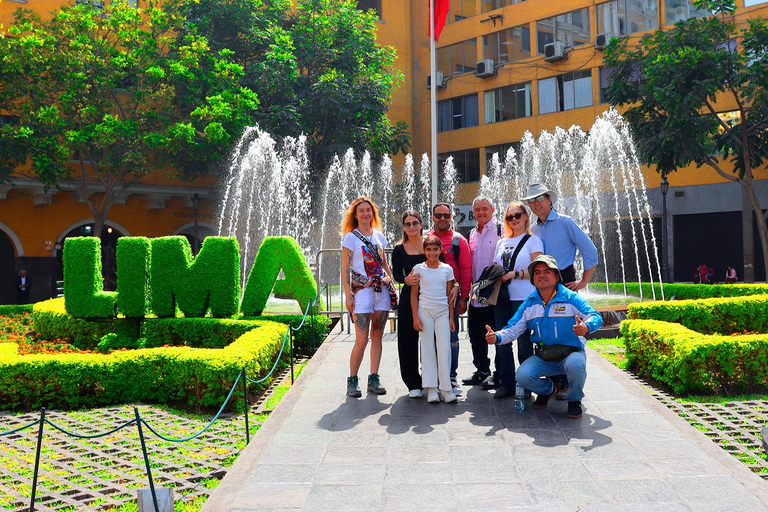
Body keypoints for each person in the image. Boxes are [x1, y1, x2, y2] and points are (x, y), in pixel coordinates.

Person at [485, 255, 603, 419]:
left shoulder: (570, 297)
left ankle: (574, 400)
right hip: (545, 356)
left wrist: (586, 326)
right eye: (537, 272)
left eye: (547, 271)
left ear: (556, 276)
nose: (542, 275)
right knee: (522, 376)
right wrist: (497, 336)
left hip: (571, 354)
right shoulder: (529, 303)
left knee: (576, 366)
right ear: (533, 279)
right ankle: (550, 390)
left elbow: (594, 315)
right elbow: (513, 329)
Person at [523, 183, 598, 400]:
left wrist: (584, 280)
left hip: (563, 277)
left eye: (540, 199)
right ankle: (553, 380)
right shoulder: (533, 229)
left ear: (549, 200)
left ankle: (567, 381)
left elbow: (590, 250)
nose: (536, 204)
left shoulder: (566, 222)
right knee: (545, 328)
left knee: (565, 330)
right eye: (532, 201)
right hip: (540, 280)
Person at [341, 196, 395, 398]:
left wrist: (390, 281)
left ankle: (374, 377)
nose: (365, 213)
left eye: (368, 210)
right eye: (361, 210)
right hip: (362, 292)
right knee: (362, 338)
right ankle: (352, 380)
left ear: (373, 213)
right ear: (355, 214)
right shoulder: (350, 237)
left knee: (378, 336)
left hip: (380, 292)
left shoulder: (379, 236)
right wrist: (348, 295)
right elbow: (345, 268)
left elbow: (383, 263)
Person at [491, 202, 543, 399]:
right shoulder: (500, 242)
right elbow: (496, 267)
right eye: (509, 217)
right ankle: (506, 383)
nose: (514, 219)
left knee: (523, 342)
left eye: (517, 215)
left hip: (524, 298)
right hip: (502, 298)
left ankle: (526, 382)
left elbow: (538, 270)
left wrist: (514, 274)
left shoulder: (533, 241)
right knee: (501, 341)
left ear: (525, 216)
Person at [428, 202, 472, 395]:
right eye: (439, 215)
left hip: (450, 299)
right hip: (428, 299)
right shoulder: (425, 239)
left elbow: (466, 270)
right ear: (433, 217)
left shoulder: (458, 240)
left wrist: (464, 296)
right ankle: (431, 378)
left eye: (446, 215)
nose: (443, 219)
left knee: (451, 339)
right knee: (429, 339)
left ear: (451, 217)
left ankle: (451, 377)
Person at [411, 235, 457, 403]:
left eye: (435, 249)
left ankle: (446, 388)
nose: (432, 253)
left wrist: (452, 318)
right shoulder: (418, 269)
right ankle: (431, 388)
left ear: (440, 250)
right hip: (425, 311)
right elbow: (414, 294)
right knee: (427, 347)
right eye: (428, 249)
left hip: (442, 312)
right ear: (424, 251)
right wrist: (415, 316)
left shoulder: (447, 269)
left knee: (444, 348)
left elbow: (450, 295)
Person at [463, 196, 502, 388]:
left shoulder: (502, 230)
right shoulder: (472, 233)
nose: (481, 212)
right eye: (477, 209)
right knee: (475, 335)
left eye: (484, 208)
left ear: (492, 209)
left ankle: (500, 374)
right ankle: (482, 371)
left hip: (495, 293)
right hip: (476, 294)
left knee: (498, 335)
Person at [392, 210, 428, 398]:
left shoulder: (430, 243)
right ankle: (413, 382)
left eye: (415, 223)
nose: (412, 227)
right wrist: (405, 279)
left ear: (421, 224)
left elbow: (443, 265)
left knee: (431, 339)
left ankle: (431, 379)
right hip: (408, 296)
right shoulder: (399, 249)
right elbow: (396, 273)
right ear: (404, 227)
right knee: (407, 340)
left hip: (430, 296)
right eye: (408, 224)